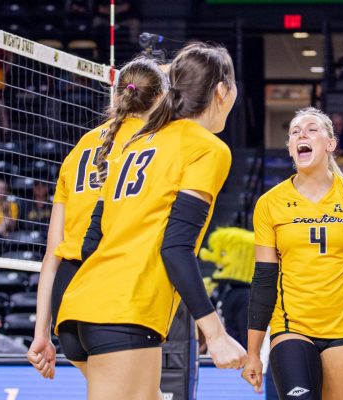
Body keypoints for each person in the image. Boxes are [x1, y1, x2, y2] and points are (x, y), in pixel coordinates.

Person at [52, 43, 247, 399]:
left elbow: (92, 236)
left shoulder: (136, 142)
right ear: (222, 91)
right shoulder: (206, 147)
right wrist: (215, 334)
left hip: (80, 307)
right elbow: (175, 248)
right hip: (124, 311)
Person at [27, 57, 168, 380]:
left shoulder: (79, 149)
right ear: (160, 98)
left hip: (67, 296)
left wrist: (41, 333)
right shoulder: (160, 144)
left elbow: (52, 254)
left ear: (116, 96)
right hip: (115, 292)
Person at [242, 107, 343, 400]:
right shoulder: (269, 204)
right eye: (294, 131)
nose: (302, 134)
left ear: (330, 144)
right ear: (290, 148)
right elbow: (264, 281)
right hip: (291, 328)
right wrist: (253, 352)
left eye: (312, 129)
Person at [200, 227, 255, 349]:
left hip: (237, 360)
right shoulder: (223, 289)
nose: (217, 259)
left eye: (223, 253)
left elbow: (246, 336)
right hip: (222, 356)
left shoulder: (245, 296)